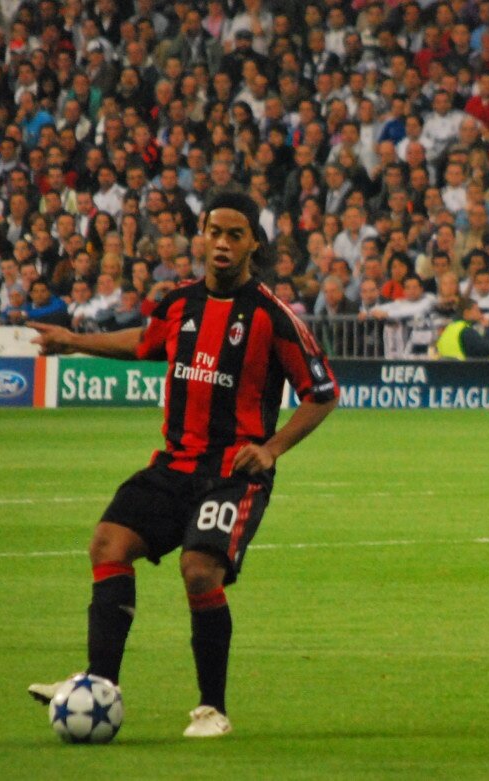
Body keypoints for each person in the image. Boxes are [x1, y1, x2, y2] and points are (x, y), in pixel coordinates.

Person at [26, 192, 338, 738]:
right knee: (108, 545)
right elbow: (144, 341)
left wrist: (271, 449)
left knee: (199, 570)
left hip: (233, 474)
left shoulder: (272, 316)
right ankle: (98, 684)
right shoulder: (179, 303)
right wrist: (74, 340)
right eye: (214, 232)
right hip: (174, 465)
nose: (222, 243)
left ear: (254, 243)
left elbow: (323, 391)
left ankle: (212, 708)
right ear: (202, 236)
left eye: (235, 234)